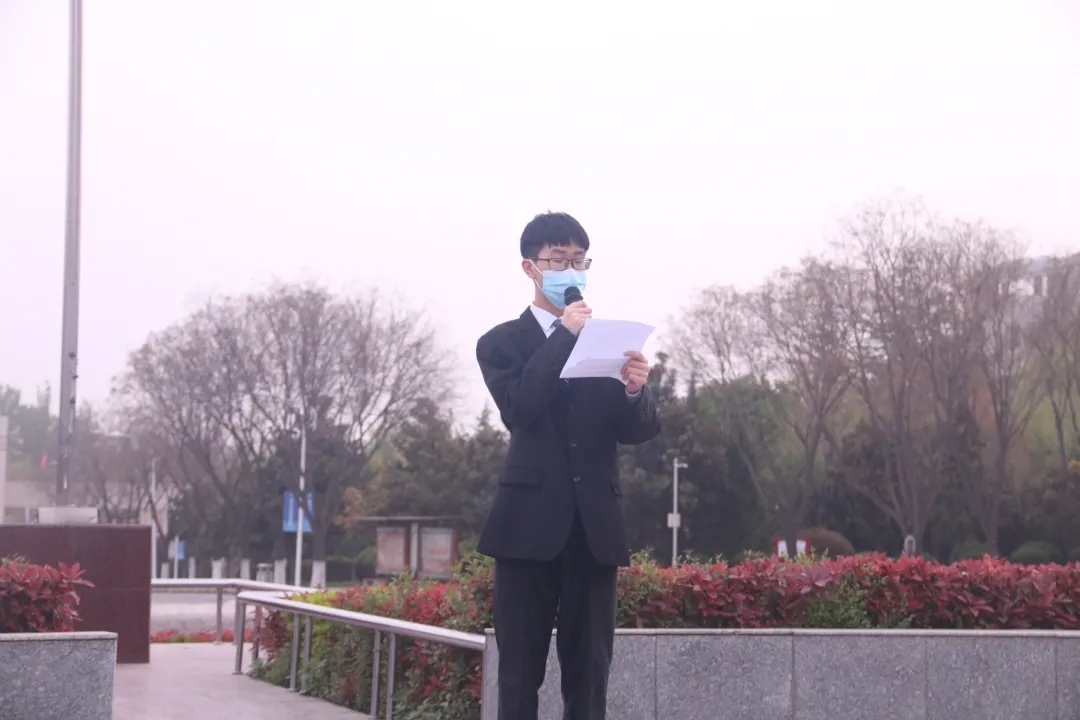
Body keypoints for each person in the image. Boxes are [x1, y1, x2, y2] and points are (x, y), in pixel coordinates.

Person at [475, 211, 661, 720]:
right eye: (559, 261)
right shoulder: (501, 342)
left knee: (590, 673)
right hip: (526, 530)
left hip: (593, 529)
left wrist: (636, 391)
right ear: (530, 268)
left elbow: (637, 431)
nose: (571, 271)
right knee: (519, 674)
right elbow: (521, 409)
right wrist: (563, 335)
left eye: (579, 261)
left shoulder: (605, 340)